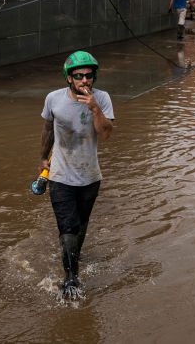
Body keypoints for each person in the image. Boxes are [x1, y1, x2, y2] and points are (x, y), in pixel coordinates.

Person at [39, 50, 114, 299]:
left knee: (81, 227)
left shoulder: (102, 99)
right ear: (69, 78)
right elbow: (48, 128)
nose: (84, 81)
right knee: (68, 227)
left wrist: (94, 109)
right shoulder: (53, 99)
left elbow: (105, 134)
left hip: (90, 176)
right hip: (60, 176)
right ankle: (71, 276)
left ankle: (72, 257)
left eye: (88, 76)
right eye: (78, 76)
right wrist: (42, 158)